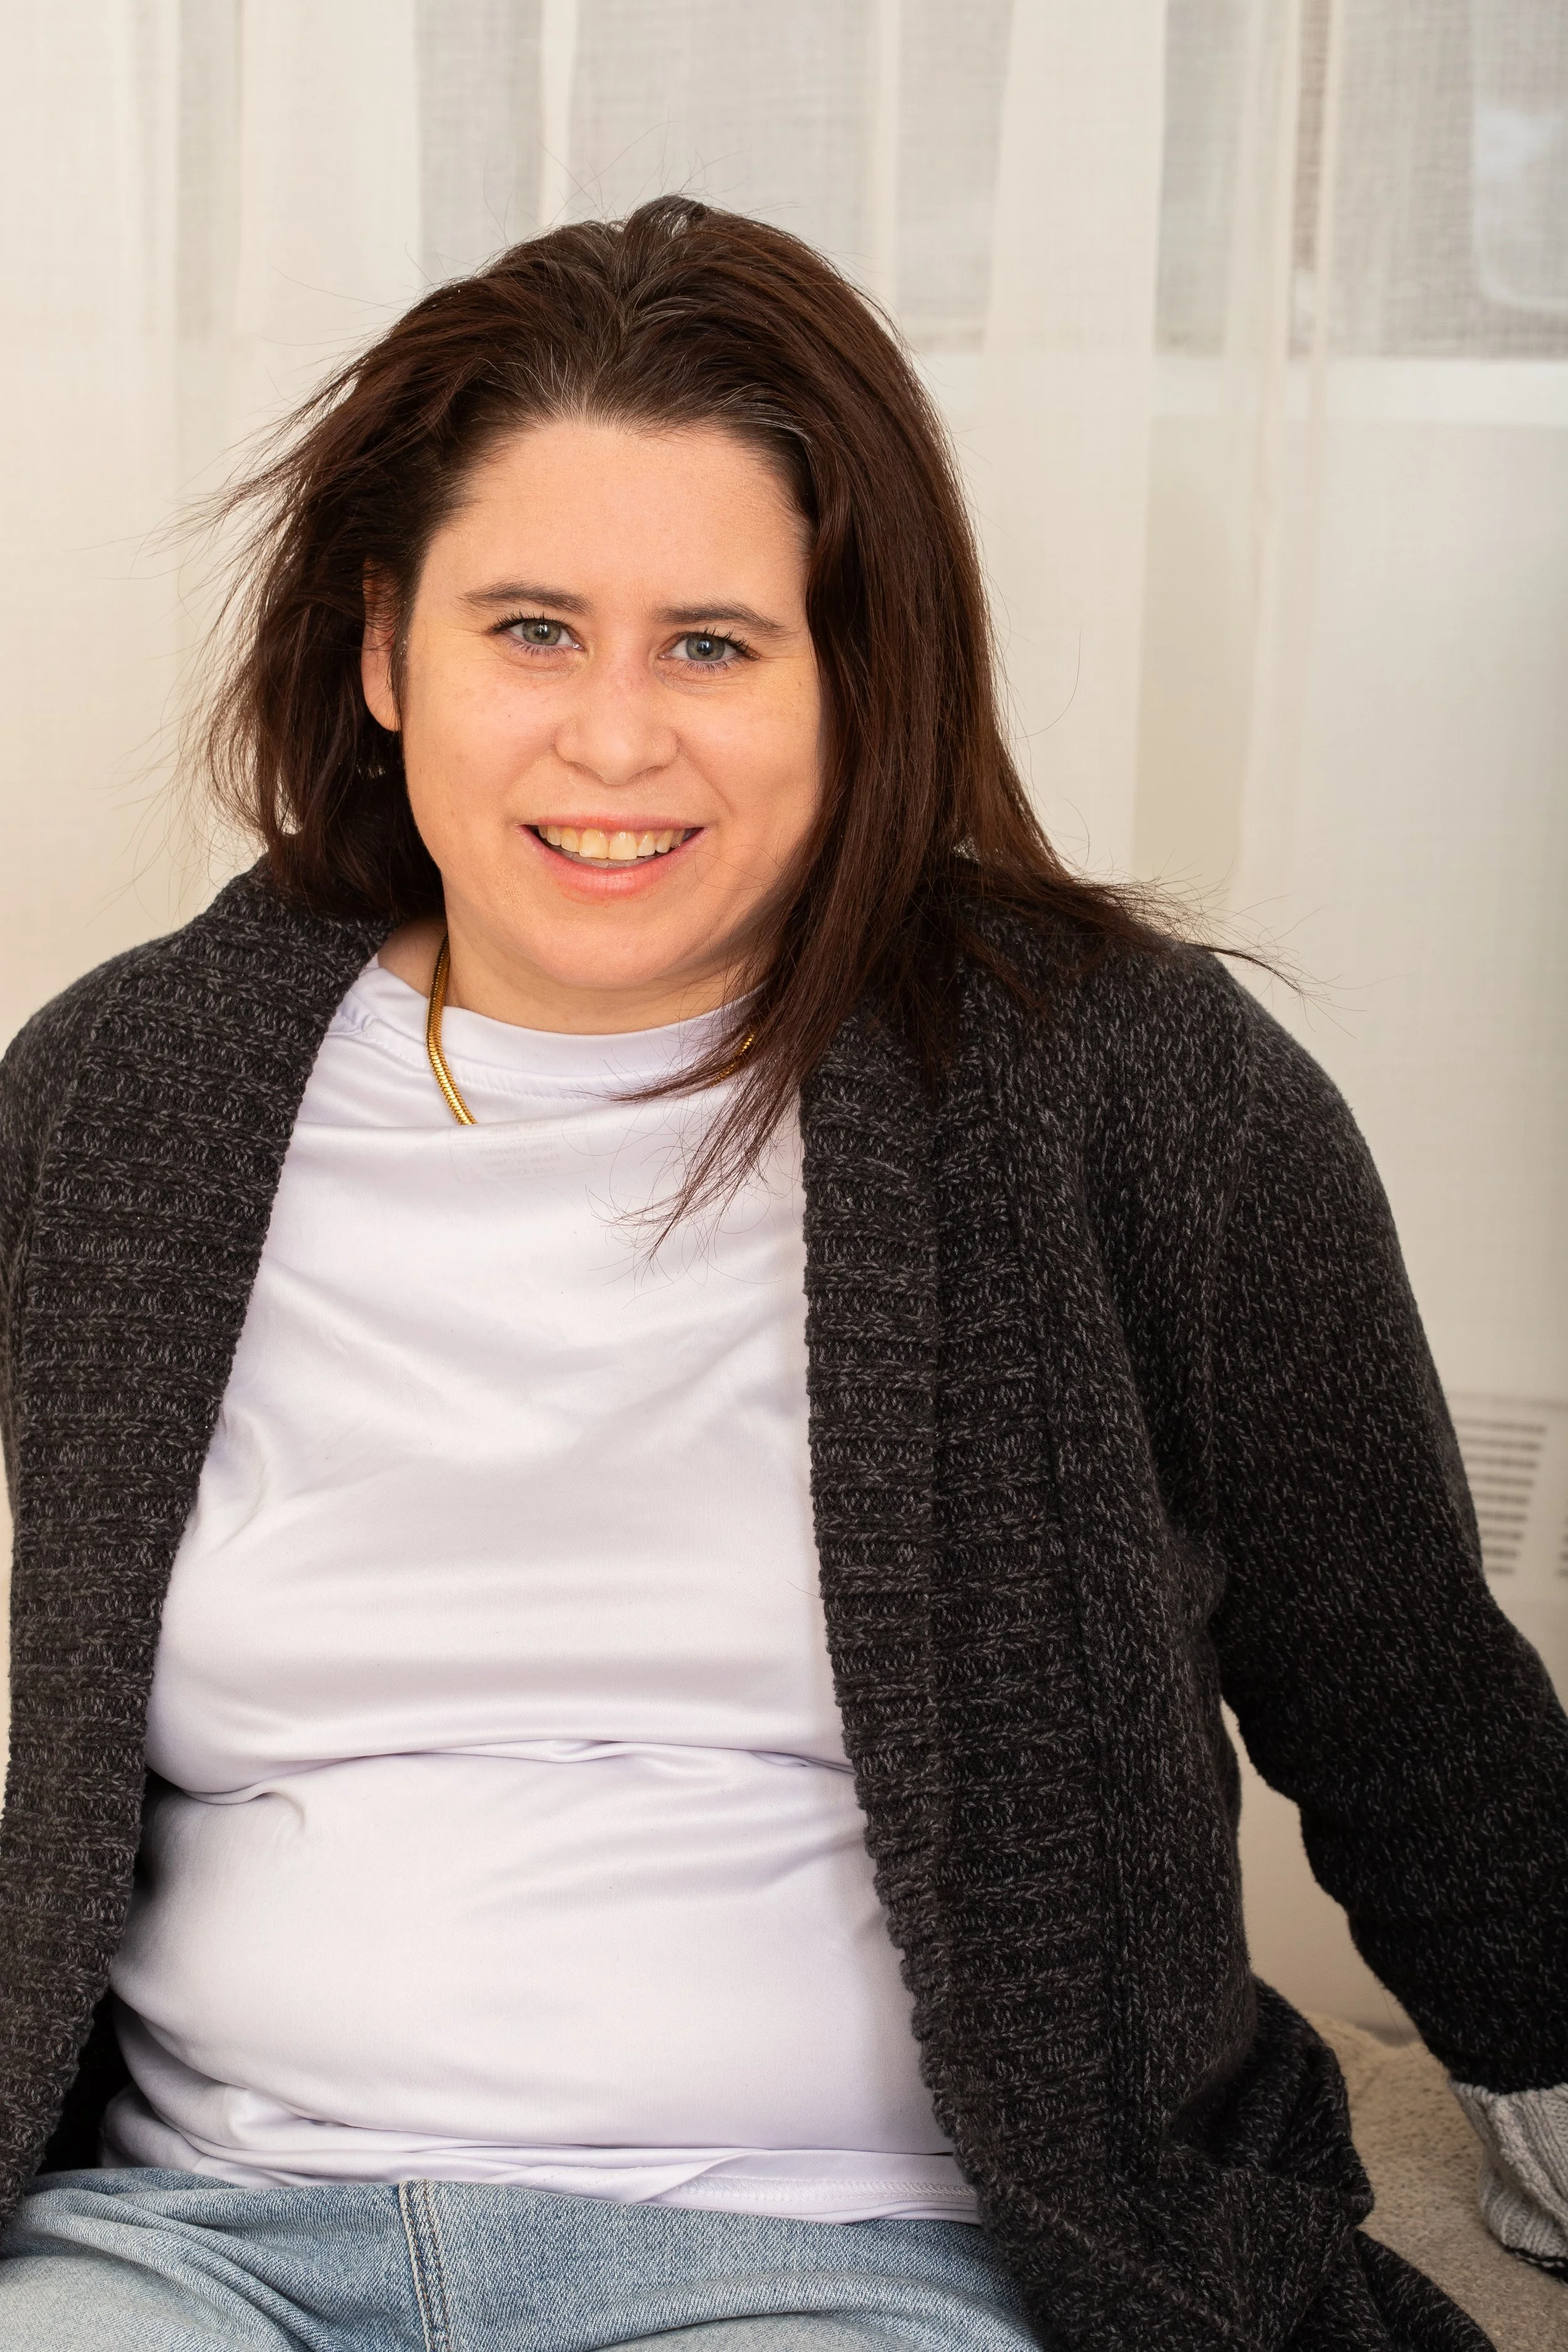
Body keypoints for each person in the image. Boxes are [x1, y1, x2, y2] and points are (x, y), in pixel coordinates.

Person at [0, 197, 1563, 2352]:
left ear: (854, 675)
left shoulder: (1123, 1081)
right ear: (384, 651)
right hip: (200, 2241)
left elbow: (1389, 1670)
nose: (614, 741)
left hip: (845, 2260)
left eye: (712, 644)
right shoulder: (128, 1091)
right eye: (530, 630)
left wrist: (1540, 2058)